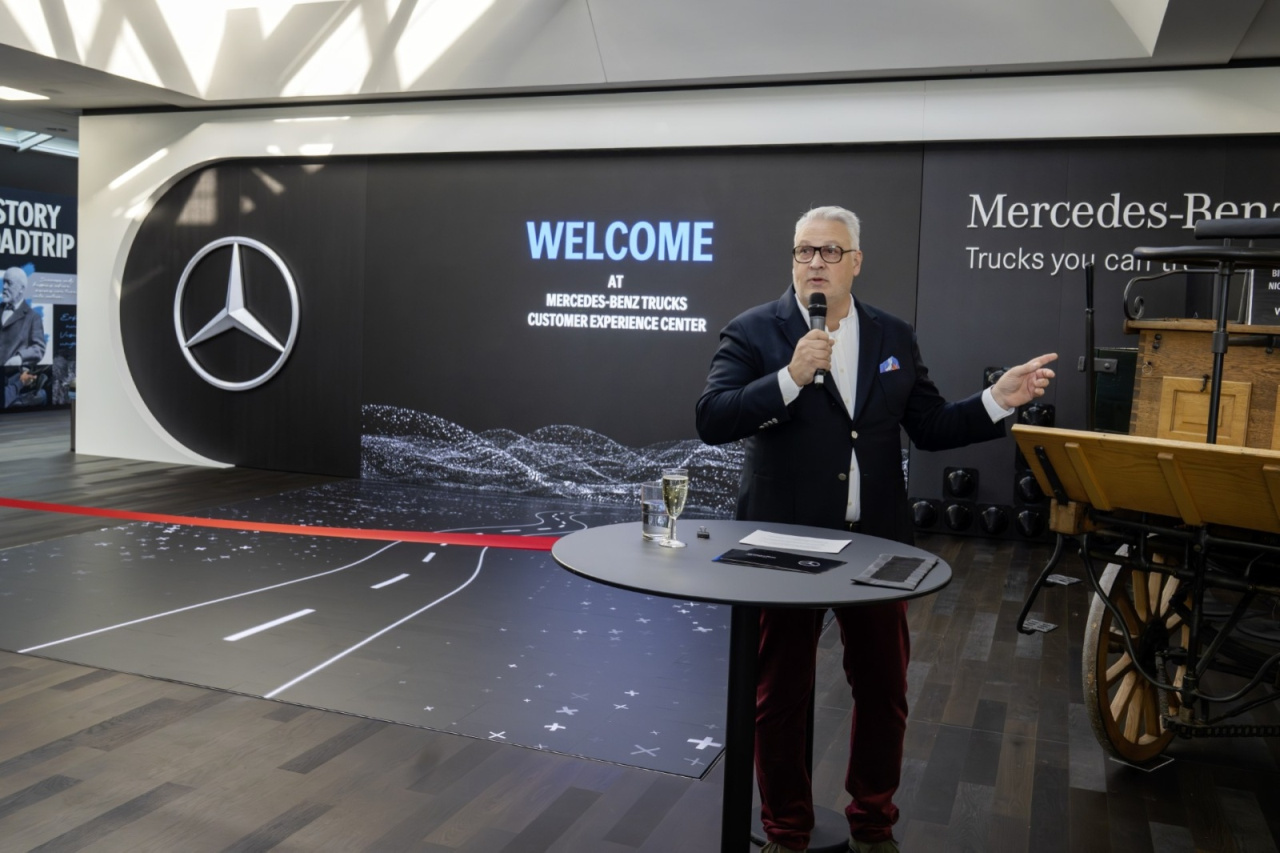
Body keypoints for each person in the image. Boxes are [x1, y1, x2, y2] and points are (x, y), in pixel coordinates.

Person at [695, 206, 1056, 853]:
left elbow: (931, 426)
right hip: (785, 545)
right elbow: (712, 417)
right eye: (805, 250)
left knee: (885, 689)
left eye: (831, 251)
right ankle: (786, 830)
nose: (816, 262)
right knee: (780, 695)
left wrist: (997, 399)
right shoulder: (754, 331)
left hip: (876, 544)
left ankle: (872, 822)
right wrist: (789, 378)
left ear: (856, 261)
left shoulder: (893, 335)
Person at [1, 267, 46, 367]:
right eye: (4, 282)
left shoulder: (33, 317)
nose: (4, 287)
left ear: (21, 288)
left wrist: (20, 358)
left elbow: (39, 348)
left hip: (13, 374)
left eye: (9, 283)